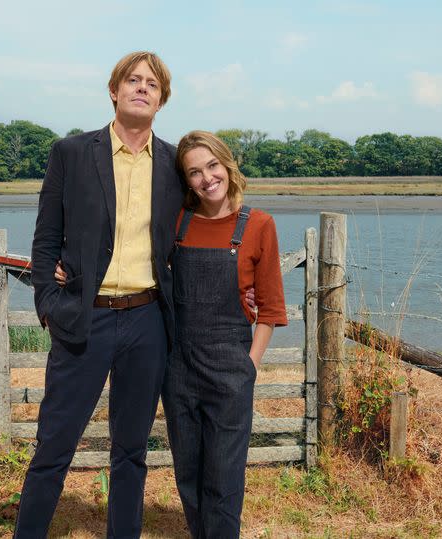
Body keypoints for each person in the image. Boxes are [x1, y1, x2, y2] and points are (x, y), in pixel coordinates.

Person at [14, 51, 185, 538]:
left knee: (131, 450)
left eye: (152, 85)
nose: (141, 88)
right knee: (54, 444)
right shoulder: (71, 152)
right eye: (133, 80)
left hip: (148, 320)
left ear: (161, 101)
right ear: (114, 91)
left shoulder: (174, 162)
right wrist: (49, 303)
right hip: (84, 317)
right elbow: (46, 239)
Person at [163, 130, 287, 536]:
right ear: (187, 180)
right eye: (194, 172)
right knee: (188, 474)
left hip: (230, 368)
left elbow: (268, 310)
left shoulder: (258, 225)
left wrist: (248, 366)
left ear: (227, 165)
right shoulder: (177, 222)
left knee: (224, 477)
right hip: (179, 366)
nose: (207, 178)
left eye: (212, 165)